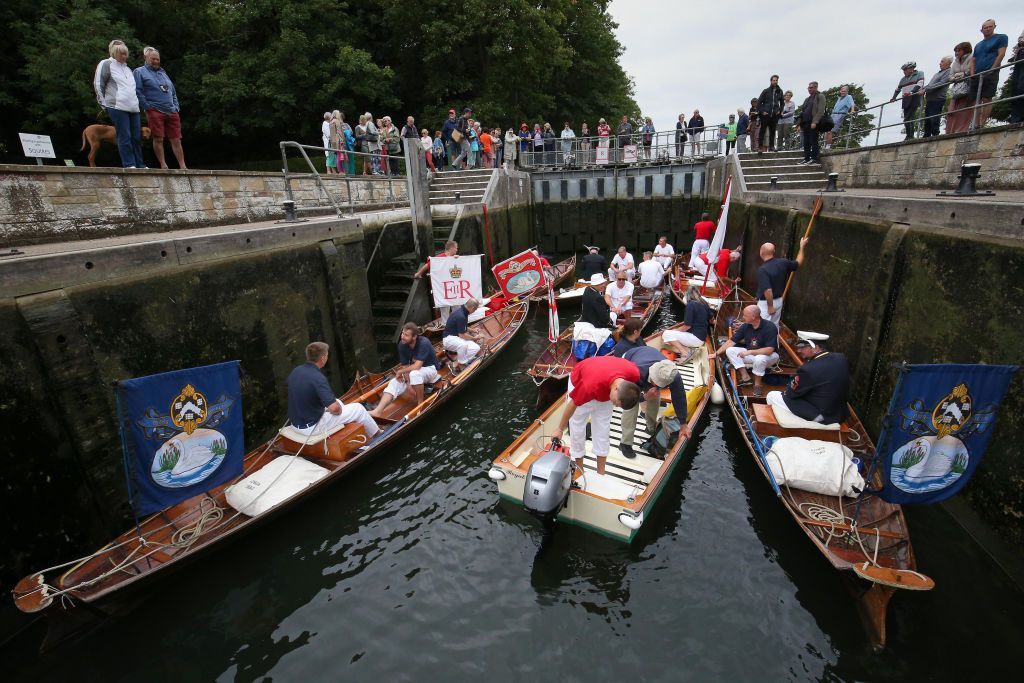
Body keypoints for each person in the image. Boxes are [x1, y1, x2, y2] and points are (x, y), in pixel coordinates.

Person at [552, 355, 641, 475]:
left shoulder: (634, 373)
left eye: (617, 405)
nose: (615, 406)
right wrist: (559, 429)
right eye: (616, 403)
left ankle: (601, 473)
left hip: (604, 385)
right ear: (616, 389)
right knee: (577, 427)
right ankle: (579, 470)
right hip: (582, 379)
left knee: (603, 429)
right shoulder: (588, 386)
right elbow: (572, 405)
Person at [288, 342, 380, 438]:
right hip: (312, 428)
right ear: (323, 358)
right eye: (327, 355)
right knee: (358, 408)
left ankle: (350, 430)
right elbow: (335, 409)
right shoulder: (318, 378)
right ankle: (378, 435)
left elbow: (307, 393)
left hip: (296, 424)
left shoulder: (296, 371)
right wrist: (338, 411)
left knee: (338, 401)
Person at [620, 346, 693, 458]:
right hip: (629, 359)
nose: (656, 385)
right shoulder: (635, 371)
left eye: (659, 384)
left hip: (648, 358)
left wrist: (683, 424)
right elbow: (627, 398)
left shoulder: (672, 375)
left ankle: (651, 427)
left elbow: (679, 398)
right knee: (631, 408)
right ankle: (625, 443)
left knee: (655, 396)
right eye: (655, 382)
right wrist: (644, 397)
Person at [765, 338, 850, 424]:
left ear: (816, 348)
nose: (798, 350)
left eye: (803, 347)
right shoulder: (840, 358)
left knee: (772, 395)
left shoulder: (807, 369)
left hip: (821, 417)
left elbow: (791, 394)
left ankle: (780, 426)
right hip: (839, 415)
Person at [369, 324, 441, 419]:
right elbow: (405, 365)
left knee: (414, 374)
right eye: (402, 333)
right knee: (394, 382)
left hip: (430, 369)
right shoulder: (402, 345)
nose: (402, 336)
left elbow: (417, 365)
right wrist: (408, 383)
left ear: (414, 337)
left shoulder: (424, 343)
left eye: (406, 335)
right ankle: (377, 411)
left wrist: (401, 372)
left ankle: (420, 404)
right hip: (414, 371)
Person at [93, 40, 145, 169]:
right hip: (117, 106)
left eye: (125, 54)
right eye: (121, 54)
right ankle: (129, 164)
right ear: (114, 53)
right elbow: (99, 83)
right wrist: (103, 104)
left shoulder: (127, 69)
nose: (124, 56)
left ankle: (140, 164)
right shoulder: (106, 63)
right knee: (124, 135)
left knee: (136, 137)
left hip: (133, 107)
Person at [134, 47, 185, 169]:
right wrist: (147, 107)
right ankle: (163, 164)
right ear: (146, 58)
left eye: (157, 59)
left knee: (176, 139)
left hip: (172, 111)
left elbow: (172, 91)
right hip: (155, 109)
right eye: (153, 59)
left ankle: (183, 166)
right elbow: (138, 91)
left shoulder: (163, 72)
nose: (156, 61)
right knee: (158, 138)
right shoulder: (139, 72)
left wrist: (176, 106)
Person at [713, 304, 779, 397]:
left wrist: (750, 352)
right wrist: (716, 353)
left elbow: (769, 350)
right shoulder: (745, 326)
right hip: (751, 354)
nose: (742, 317)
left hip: (769, 357)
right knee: (730, 350)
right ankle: (746, 377)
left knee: (759, 359)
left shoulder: (770, 327)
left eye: (745, 315)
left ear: (753, 316)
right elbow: (731, 342)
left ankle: (757, 385)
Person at [757, 237, 809, 324]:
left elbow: (768, 290)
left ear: (761, 252)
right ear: (773, 252)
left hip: (767, 303)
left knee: (762, 328)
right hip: (778, 301)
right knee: (774, 326)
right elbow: (798, 262)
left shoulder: (763, 269)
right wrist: (802, 247)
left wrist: (770, 306)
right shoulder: (783, 262)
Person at [972, 19, 1009, 125]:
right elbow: (973, 60)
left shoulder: (1001, 37)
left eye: (990, 26)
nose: (988, 29)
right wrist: (972, 73)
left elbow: (1001, 54)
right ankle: (975, 123)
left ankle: (981, 123)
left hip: (990, 72)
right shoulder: (978, 44)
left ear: (994, 27)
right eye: (985, 27)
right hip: (977, 73)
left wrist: (993, 68)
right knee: (976, 100)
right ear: (981, 30)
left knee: (987, 98)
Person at [663, 286, 713, 352]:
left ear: (687, 295)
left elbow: (687, 326)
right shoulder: (704, 303)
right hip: (702, 338)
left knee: (666, 334)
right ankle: (687, 350)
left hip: (695, 339)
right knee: (672, 335)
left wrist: (676, 330)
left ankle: (684, 353)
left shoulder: (690, 305)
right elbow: (711, 320)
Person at [442, 298, 482, 369]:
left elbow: (463, 327)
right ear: (472, 308)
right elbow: (462, 335)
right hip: (449, 339)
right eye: (475, 310)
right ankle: (461, 364)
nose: (474, 311)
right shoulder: (461, 316)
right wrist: (475, 338)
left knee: (476, 348)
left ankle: (457, 362)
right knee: (463, 345)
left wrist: (473, 330)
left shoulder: (462, 312)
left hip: (456, 338)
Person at [946, 42, 975, 133]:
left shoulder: (971, 57)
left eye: (959, 50)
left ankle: (961, 130)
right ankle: (950, 131)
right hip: (956, 89)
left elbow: (969, 71)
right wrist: (955, 77)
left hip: (967, 86)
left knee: (964, 109)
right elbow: (950, 76)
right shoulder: (955, 62)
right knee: (951, 111)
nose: (956, 53)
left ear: (965, 50)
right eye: (956, 51)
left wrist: (959, 75)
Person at [892, 62, 925, 140]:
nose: (904, 72)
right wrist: (893, 97)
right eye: (903, 70)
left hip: (914, 98)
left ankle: (909, 136)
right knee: (909, 118)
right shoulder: (903, 79)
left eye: (905, 70)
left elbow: (920, 84)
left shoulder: (919, 74)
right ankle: (910, 135)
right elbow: (898, 89)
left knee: (907, 118)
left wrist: (911, 92)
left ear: (911, 68)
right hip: (906, 100)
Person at [922, 58, 953, 137]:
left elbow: (941, 83)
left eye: (942, 61)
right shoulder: (937, 74)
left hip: (938, 98)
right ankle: (926, 135)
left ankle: (935, 135)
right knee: (927, 119)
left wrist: (926, 89)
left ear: (949, 63)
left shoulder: (949, 72)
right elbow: (930, 84)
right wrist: (923, 89)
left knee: (934, 117)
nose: (940, 63)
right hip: (930, 99)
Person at [798, 81, 826, 164]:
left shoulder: (820, 96)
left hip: (813, 122)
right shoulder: (807, 99)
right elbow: (802, 112)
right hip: (805, 123)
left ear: (816, 87)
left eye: (811, 87)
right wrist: (799, 124)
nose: (809, 89)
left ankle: (814, 158)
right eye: (808, 88)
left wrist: (815, 122)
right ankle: (806, 158)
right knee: (806, 142)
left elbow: (820, 110)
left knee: (813, 141)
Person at [757, 75, 785, 153]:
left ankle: (772, 146)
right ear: (771, 81)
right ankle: (760, 147)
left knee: (772, 131)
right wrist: (762, 111)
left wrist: (780, 110)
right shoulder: (765, 91)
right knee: (762, 131)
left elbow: (782, 103)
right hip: (765, 115)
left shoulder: (779, 91)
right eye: (774, 80)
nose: (775, 82)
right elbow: (759, 103)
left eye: (776, 80)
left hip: (774, 115)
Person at [826, 86, 856, 150]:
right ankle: (826, 145)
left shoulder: (848, 97)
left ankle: (828, 146)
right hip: (833, 114)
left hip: (839, 114)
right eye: (842, 91)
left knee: (830, 130)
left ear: (847, 92)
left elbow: (852, 104)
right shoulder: (839, 98)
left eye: (844, 91)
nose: (842, 92)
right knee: (826, 130)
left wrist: (852, 110)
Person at [1010, 31, 1024, 124]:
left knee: (1021, 87)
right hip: (1020, 57)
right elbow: (1020, 39)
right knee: (1016, 88)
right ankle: (1016, 119)